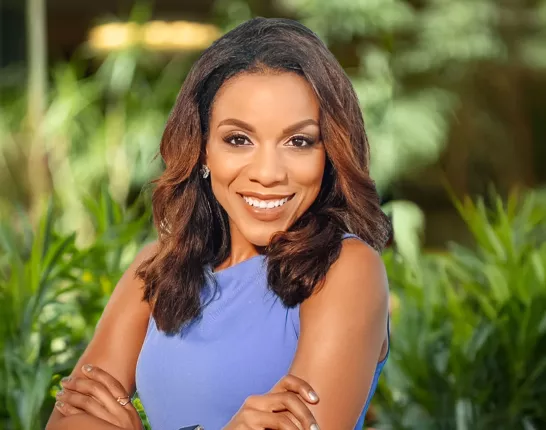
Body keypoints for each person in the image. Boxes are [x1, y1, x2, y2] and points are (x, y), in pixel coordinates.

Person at [46, 16, 391, 430]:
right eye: (238, 139)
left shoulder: (345, 269)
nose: (268, 173)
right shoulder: (157, 268)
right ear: (203, 149)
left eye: (298, 141)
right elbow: (71, 420)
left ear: (328, 153)